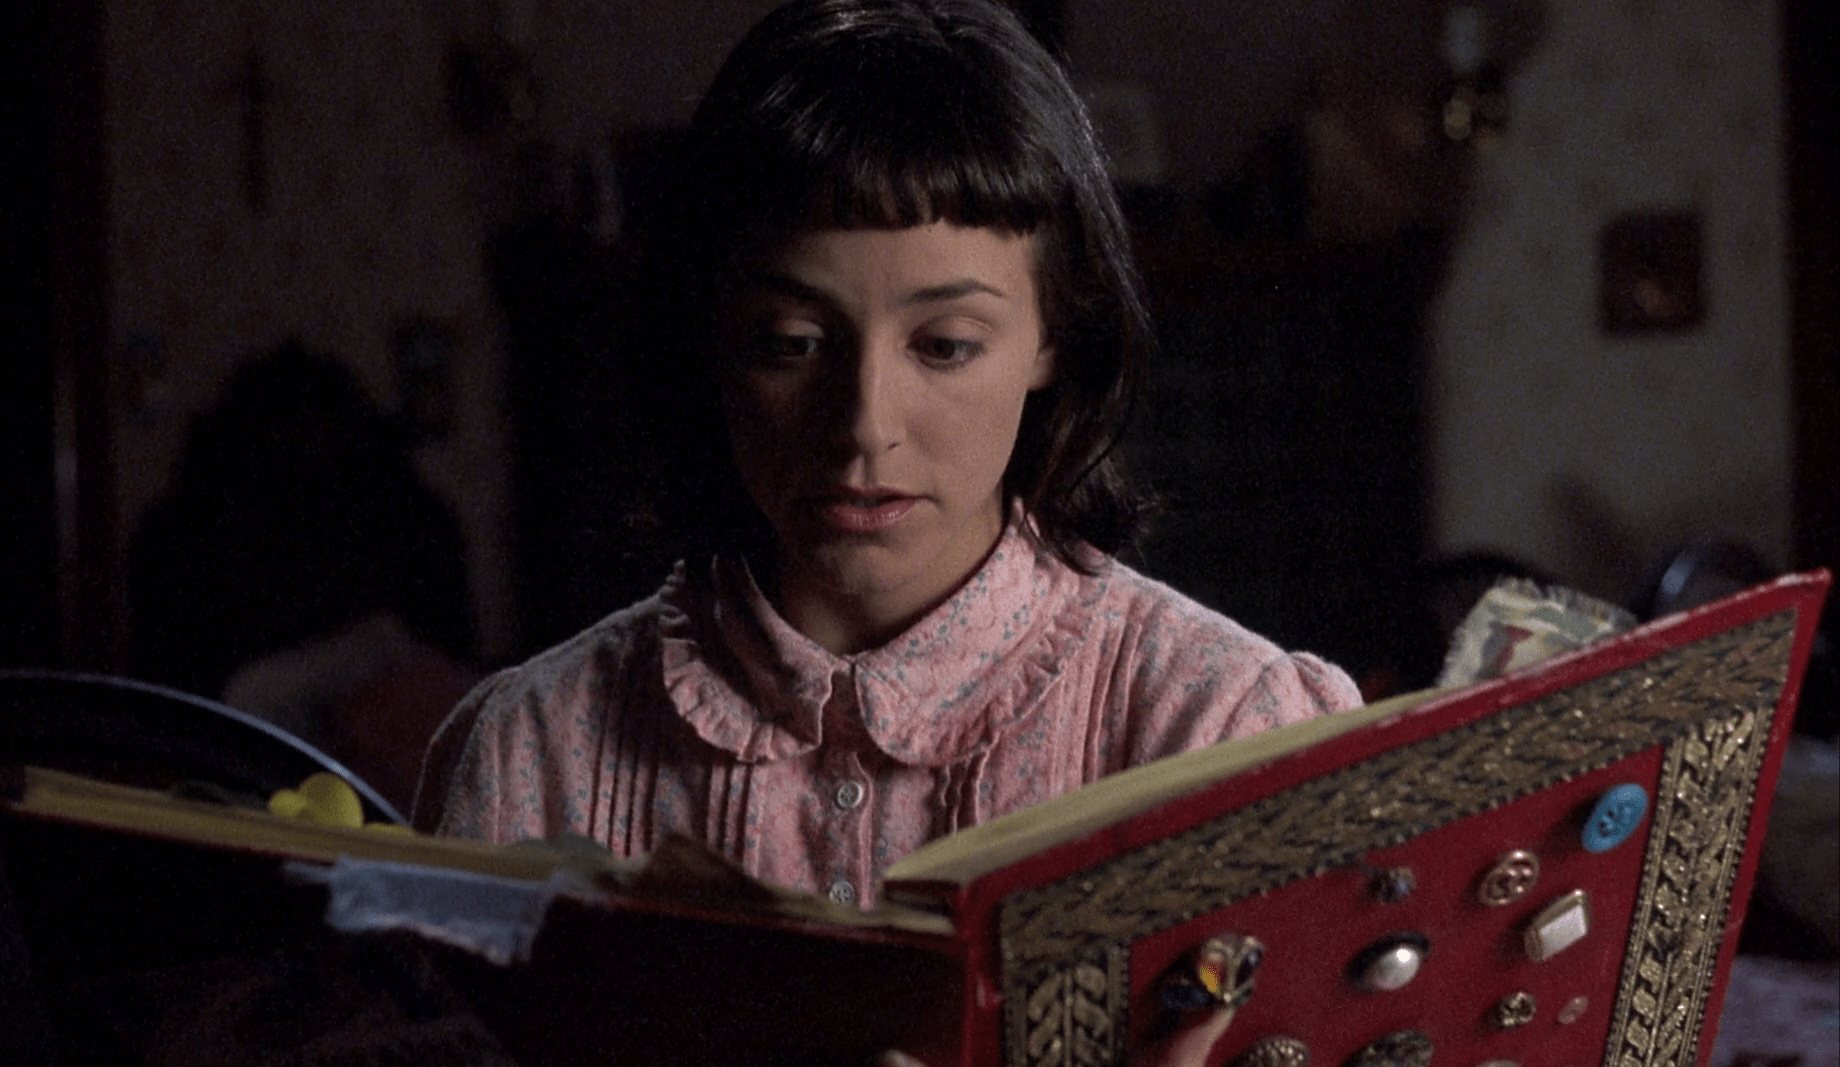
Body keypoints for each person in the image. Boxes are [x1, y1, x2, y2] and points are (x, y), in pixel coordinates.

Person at [418, 0, 1356, 950]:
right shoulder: (532, 749)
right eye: (791, 342)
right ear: (710, 337)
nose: (864, 426)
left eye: (945, 345)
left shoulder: (1226, 727)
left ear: (1054, 337)